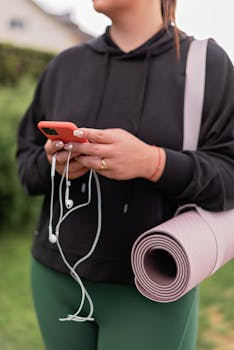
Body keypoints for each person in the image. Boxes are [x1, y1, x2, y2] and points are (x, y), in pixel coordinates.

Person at [16, 0, 234, 349]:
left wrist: (155, 163)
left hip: (152, 286)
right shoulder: (64, 66)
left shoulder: (206, 65)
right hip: (53, 280)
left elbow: (229, 173)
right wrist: (56, 165)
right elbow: (26, 168)